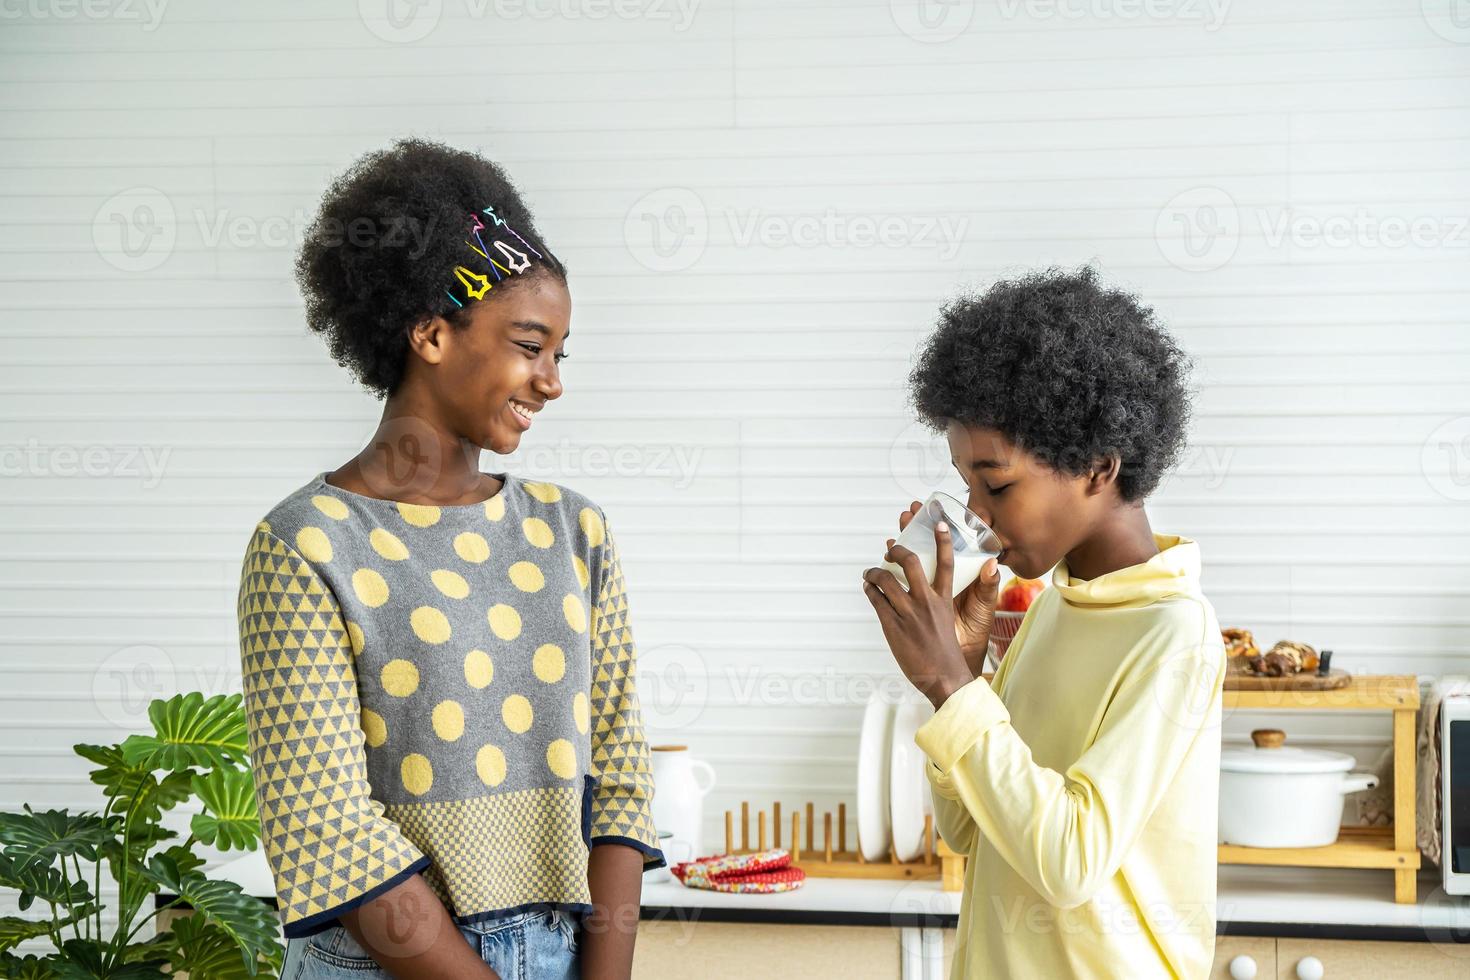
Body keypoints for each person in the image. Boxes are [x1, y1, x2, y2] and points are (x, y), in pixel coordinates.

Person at [235, 137, 663, 980]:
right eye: (530, 345)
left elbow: (619, 777)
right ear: (431, 334)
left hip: (563, 951)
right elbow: (328, 829)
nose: (552, 381)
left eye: (559, 354)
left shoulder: (575, 532)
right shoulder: (304, 545)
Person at [862, 266, 1225, 978]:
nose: (977, 515)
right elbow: (970, 829)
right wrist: (959, 679)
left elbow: (1070, 861)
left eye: (995, 485)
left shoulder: (1173, 635)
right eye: (967, 487)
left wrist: (956, 692)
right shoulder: (1052, 609)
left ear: (1097, 467)